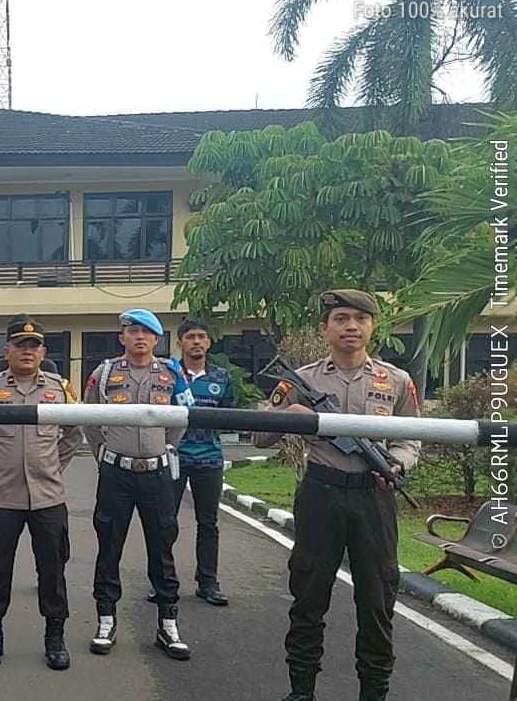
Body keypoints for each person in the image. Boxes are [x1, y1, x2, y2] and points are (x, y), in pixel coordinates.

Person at [253, 289, 421, 701]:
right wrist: (289, 415)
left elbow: (412, 438)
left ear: (372, 326)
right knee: (308, 596)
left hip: (374, 497)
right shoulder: (303, 379)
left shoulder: (396, 380)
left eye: (360, 319)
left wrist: (398, 464)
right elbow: (259, 437)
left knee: (377, 602)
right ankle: (301, 690)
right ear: (325, 328)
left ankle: (374, 693)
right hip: (321, 494)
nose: (351, 326)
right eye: (341, 318)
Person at [0, 317, 83, 671]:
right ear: (6, 351)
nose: (27, 351)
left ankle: (55, 636)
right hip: (2, 498)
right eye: (20, 345)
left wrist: (53, 466)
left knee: (53, 569)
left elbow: (74, 433)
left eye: (34, 346)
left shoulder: (61, 389)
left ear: (43, 352)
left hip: (48, 497)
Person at [82, 308, 193, 661]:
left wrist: (164, 448)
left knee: (162, 549)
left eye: (146, 332)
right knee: (109, 546)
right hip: (116, 473)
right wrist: (102, 451)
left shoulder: (173, 373)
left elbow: (182, 418)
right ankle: (105, 620)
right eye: (133, 331)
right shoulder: (104, 373)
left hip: (157, 475)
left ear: (157, 339)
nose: (140, 337)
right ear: (122, 337)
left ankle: (168, 624)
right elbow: (88, 417)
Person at [170, 317, 234, 606]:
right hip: (174, 458)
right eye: (190, 337)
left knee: (208, 523)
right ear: (180, 342)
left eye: (201, 337)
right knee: (165, 522)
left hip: (209, 459)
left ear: (208, 342)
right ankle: (164, 581)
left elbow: (228, 414)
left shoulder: (222, 377)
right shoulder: (169, 374)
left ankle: (208, 583)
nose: (196, 341)